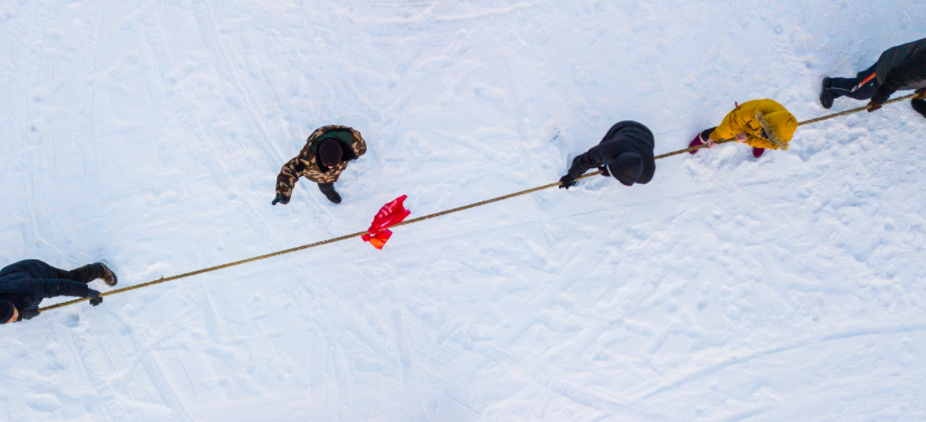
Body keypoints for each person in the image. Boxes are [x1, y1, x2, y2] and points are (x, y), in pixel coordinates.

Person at [819, 37, 926, 118]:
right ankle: (830, 87)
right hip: (886, 69)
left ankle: (864, 78)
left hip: (905, 68)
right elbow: (897, 75)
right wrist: (878, 99)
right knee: (859, 91)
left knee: (866, 85)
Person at [273, 125, 367, 205]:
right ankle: (329, 192)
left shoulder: (353, 140)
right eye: (326, 164)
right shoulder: (307, 159)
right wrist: (283, 192)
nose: (330, 168)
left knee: (354, 154)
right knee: (326, 186)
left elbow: (362, 147)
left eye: (334, 164)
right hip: (321, 177)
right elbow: (289, 171)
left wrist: (355, 153)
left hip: (344, 150)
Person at [0, 260, 117, 324]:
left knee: (73, 279)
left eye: (11, 317)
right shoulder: (7, 304)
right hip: (12, 277)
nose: (12, 321)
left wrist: (87, 292)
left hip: (35, 270)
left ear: (12, 304)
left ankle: (100, 269)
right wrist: (22, 314)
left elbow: (60, 287)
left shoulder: (30, 288)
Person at [559, 121, 655, 189]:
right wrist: (571, 176)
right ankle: (575, 164)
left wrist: (610, 171)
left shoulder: (646, 175)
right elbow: (586, 160)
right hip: (623, 127)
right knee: (596, 157)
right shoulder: (608, 149)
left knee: (605, 161)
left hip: (647, 136)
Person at [688, 99, 798, 158]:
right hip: (745, 120)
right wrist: (715, 137)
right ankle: (703, 137)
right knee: (725, 131)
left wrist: (749, 140)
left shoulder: (780, 138)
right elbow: (732, 123)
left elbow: (769, 142)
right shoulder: (758, 110)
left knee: (762, 140)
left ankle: (758, 141)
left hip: (759, 128)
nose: (765, 137)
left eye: (771, 138)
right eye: (765, 134)